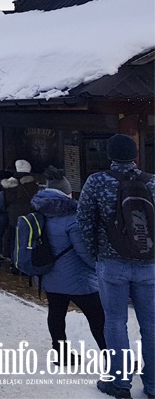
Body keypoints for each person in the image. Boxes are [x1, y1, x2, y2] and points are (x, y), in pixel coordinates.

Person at [77, 134, 154, 399]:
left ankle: (119, 383)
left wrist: (95, 252)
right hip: (148, 264)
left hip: (111, 264)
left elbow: (84, 219)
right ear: (135, 154)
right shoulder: (152, 182)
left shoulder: (97, 182)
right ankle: (154, 384)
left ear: (109, 154)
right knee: (151, 324)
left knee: (115, 322)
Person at [31, 187, 107, 365]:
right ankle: (114, 358)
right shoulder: (72, 219)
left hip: (49, 275)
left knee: (56, 314)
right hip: (78, 280)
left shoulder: (39, 214)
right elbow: (85, 253)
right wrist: (100, 269)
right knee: (98, 317)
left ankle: (61, 354)